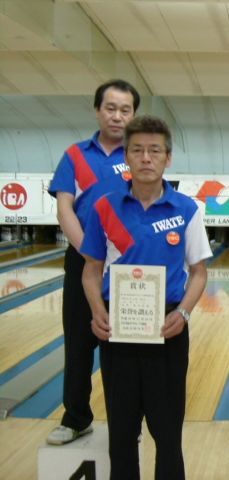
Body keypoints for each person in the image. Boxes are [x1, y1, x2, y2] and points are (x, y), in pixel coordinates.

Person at [80, 115, 211, 479]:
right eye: (137, 150)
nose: (146, 158)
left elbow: (199, 272)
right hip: (119, 329)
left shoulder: (186, 209)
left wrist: (183, 313)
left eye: (154, 150)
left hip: (168, 330)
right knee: (121, 435)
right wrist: (97, 312)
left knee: (168, 436)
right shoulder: (104, 207)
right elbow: (90, 270)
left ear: (168, 157)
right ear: (126, 156)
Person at [46, 79, 140, 445]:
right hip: (83, 259)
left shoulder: (139, 153)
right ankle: (76, 418)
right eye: (110, 108)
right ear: (98, 110)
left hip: (129, 262)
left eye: (125, 110)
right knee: (79, 342)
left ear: (134, 114)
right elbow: (65, 208)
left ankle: (126, 424)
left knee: (125, 347)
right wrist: (90, 252)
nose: (117, 116)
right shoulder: (75, 155)